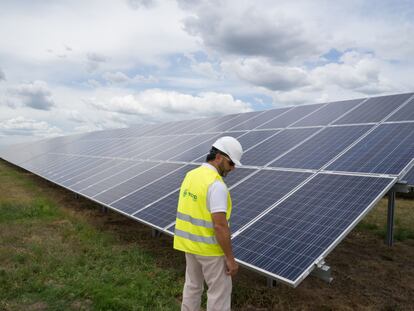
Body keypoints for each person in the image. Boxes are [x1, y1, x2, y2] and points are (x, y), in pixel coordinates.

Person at [173, 136, 243, 311]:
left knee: (192, 286)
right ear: (218, 156)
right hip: (210, 250)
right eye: (231, 163)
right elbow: (219, 225)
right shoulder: (216, 185)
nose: (233, 169)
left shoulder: (191, 175)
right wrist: (230, 258)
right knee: (219, 294)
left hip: (189, 245)